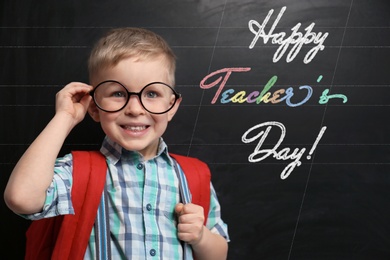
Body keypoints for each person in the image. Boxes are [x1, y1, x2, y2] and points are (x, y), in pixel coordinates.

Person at [4, 27, 229, 259]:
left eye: (151, 94)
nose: (134, 109)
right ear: (94, 107)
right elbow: (21, 198)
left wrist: (200, 236)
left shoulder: (194, 176)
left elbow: (219, 254)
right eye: (118, 94)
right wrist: (65, 118)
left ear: (171, 107)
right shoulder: (78, 172)